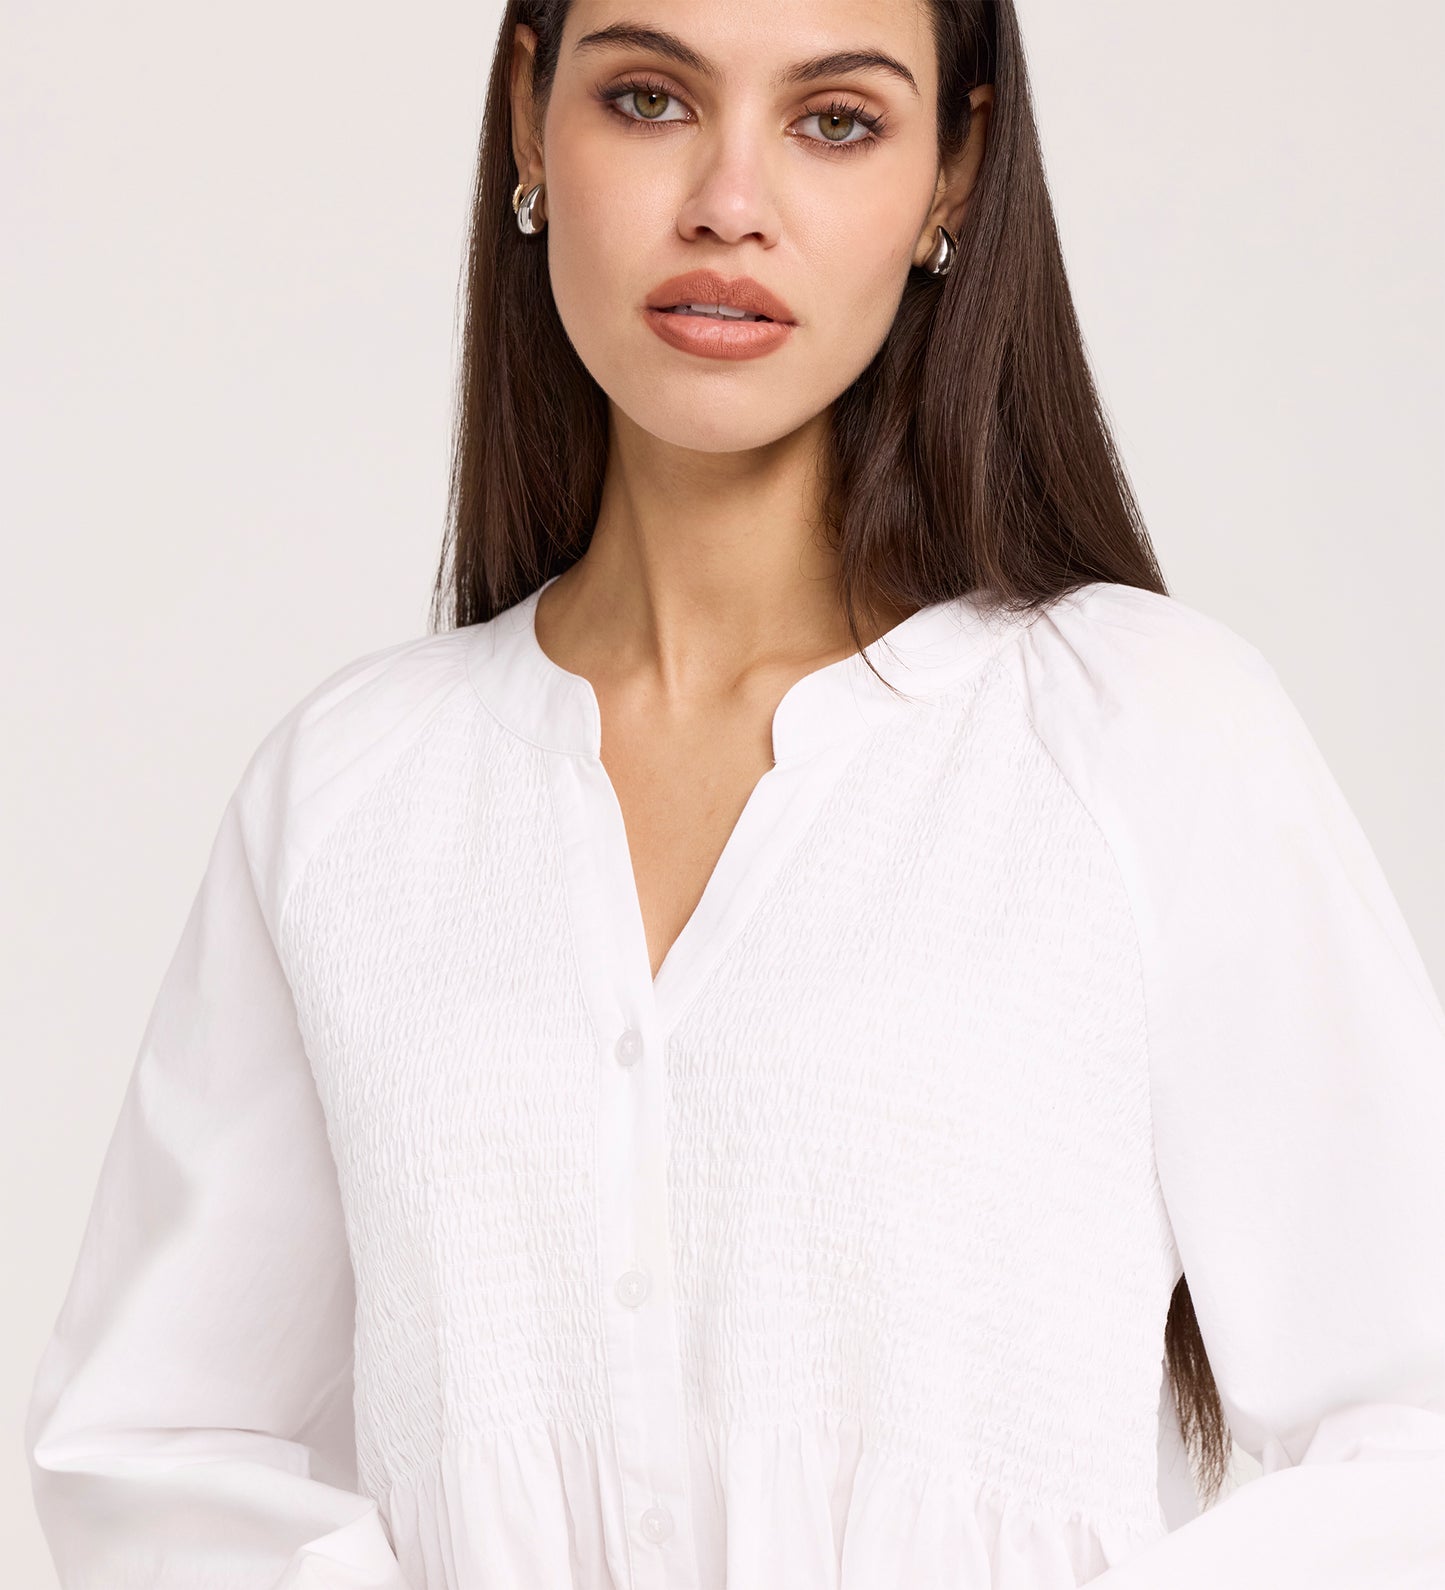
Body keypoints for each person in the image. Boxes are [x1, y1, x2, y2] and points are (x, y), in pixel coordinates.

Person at [24, 1, 1445, 1586]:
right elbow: (148, 1449)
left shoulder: (1138, 735)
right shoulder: (355, 795)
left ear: (953, 173)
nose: (728, 198)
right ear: (526, 122)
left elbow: (1410, 1426)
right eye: (646, 97)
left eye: (835, 120)